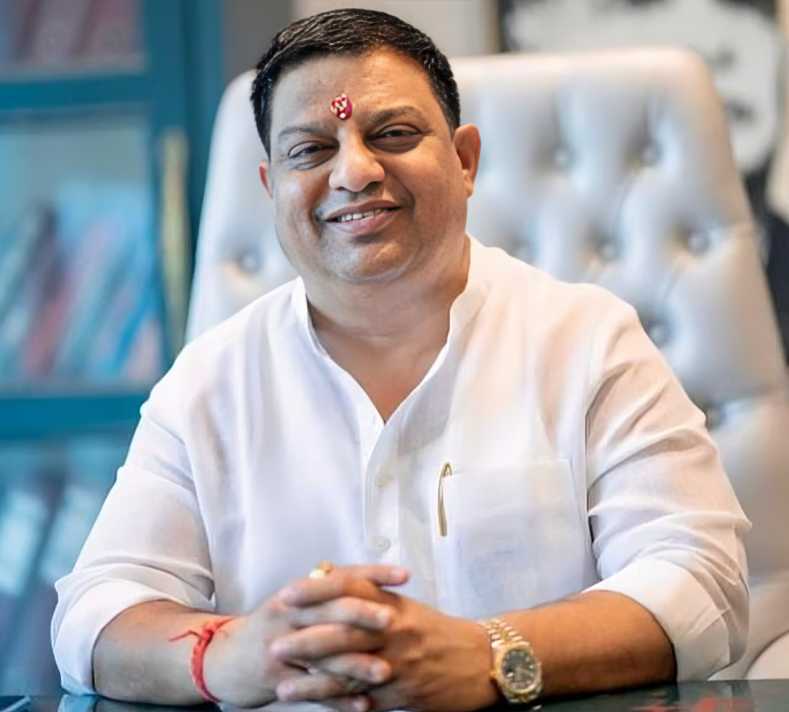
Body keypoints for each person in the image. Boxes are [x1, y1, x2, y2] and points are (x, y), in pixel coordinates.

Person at [52, 8, 750, 711]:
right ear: (270, 186)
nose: (355, 172)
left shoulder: (588, 342)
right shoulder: (209, 382)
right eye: (310, 150)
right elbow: (97, 614)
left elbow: (699, 584)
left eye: (393, 135)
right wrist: (231, 655)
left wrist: (489, 654)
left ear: (464, 160)